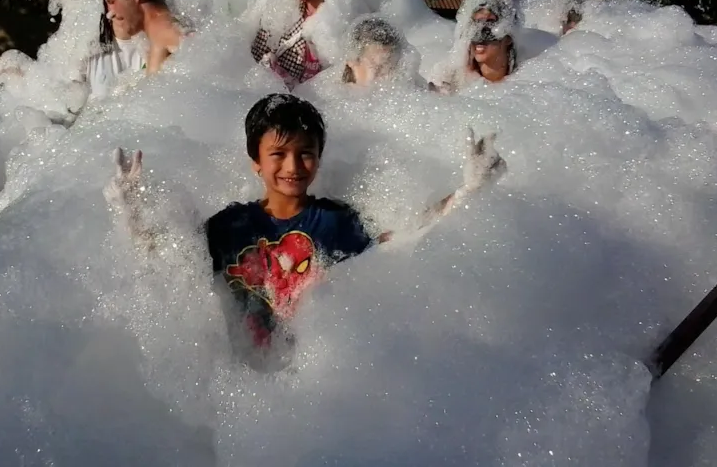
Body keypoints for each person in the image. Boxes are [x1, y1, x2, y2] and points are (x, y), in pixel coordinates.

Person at [103, 94, 506, 357]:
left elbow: (397, 244)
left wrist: (466, 192)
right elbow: (172, 264)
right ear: (255, 161)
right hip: (240, 384)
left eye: (306, 153)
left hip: (309, 382)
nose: (293, 166)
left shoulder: (335, 222)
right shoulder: (232, 225)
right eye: (278, 153)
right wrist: (132, 212)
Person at [98, 0, 187, 78]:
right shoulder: (154, 37)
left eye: (112, 1)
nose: (110, 13)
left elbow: (204, 51)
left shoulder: (163, 29)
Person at [81, 0, 151, 98]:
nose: (111, 11)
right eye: (108, 2)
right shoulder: (85, 50)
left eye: (112, 1)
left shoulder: (161, 43)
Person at [430, 0, 519, 93]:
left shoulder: (525, 82)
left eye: (489, 22)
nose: (479, 31)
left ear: (509, 37)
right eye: (475, 23)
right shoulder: (448, 82)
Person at [340, 16, 407, 87]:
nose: (387, 79)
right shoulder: (333, 96)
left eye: (392, 69)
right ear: (352, 61)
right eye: (379, 69)